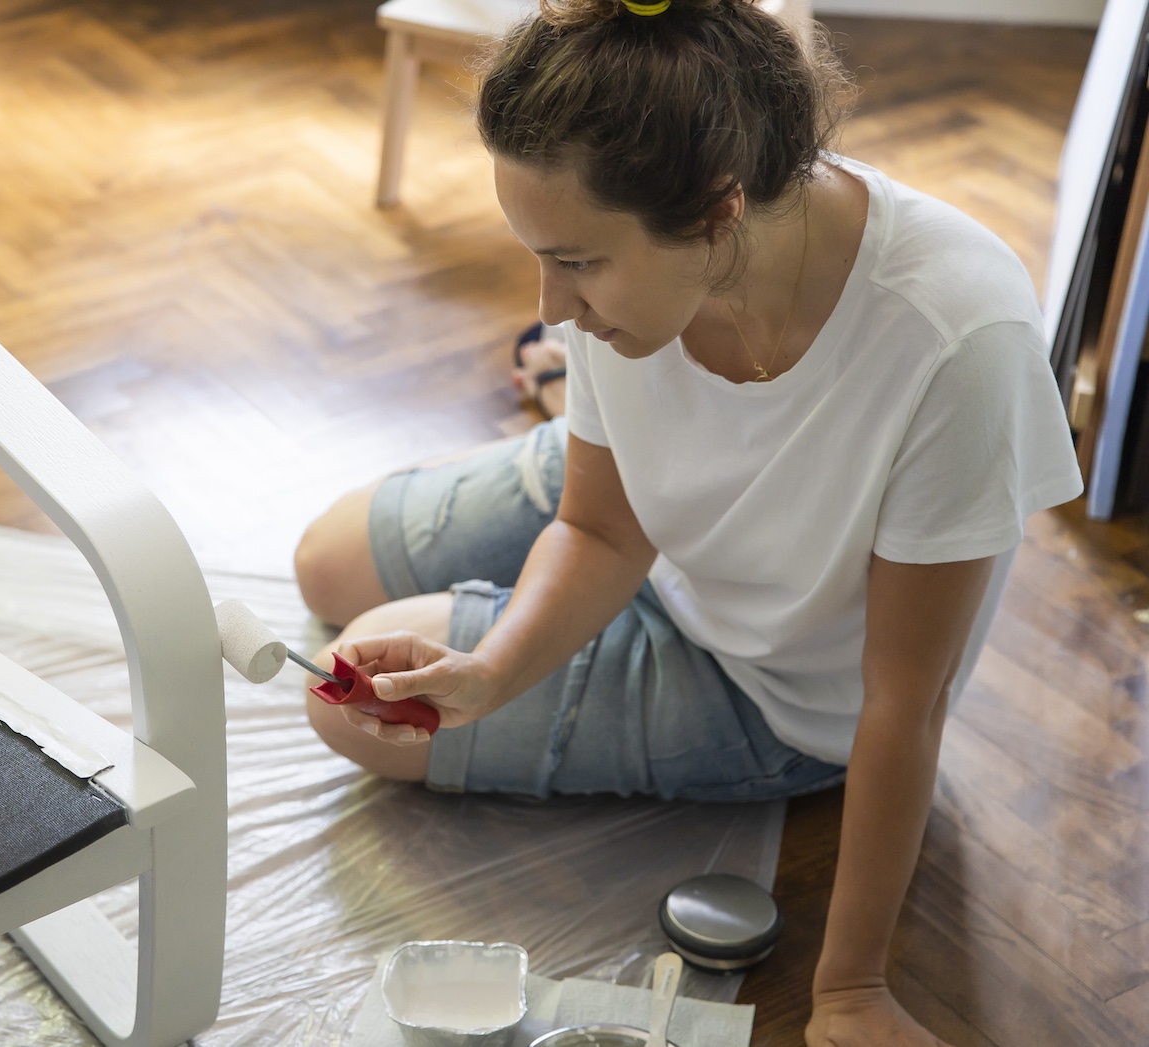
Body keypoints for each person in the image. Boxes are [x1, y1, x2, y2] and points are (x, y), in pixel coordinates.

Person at [291, 1, 1084, 1045]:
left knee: (344, 693)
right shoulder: (624, 291)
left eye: (575, 261)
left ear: (717, 213)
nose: (550, 306)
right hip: (652, 496)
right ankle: (542, 462)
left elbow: (905, 701)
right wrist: (493, 671)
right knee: (325, 563)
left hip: (770, 687)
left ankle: (540, 491)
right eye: (538, 256)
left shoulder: (956, 335)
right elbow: (601, 532)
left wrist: (850, 988)